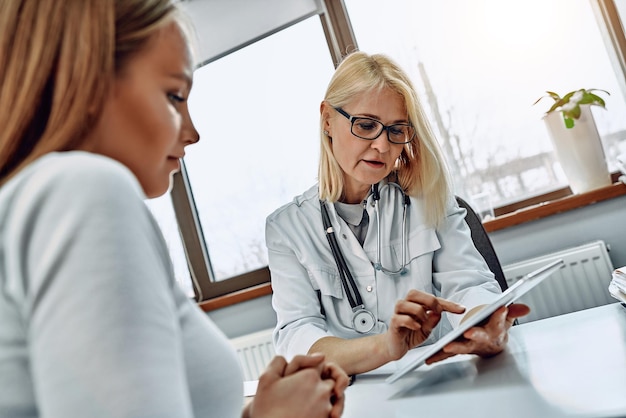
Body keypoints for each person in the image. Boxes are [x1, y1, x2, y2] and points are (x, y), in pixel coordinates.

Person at [0, 1, 348, 418]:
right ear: (84, 80)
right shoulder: (82, 190)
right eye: (174, 96)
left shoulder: (35, 204)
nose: (193, 133)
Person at [266, 51, 530, 377]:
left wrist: (485, 322)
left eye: (395, 130)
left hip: (444, 379)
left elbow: (468, 285)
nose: (382, 145)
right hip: (357, 398)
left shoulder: (427, 197)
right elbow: (298, 335)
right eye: (365, 125)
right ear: (327, 120)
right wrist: (386, 347)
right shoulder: (287, 228)